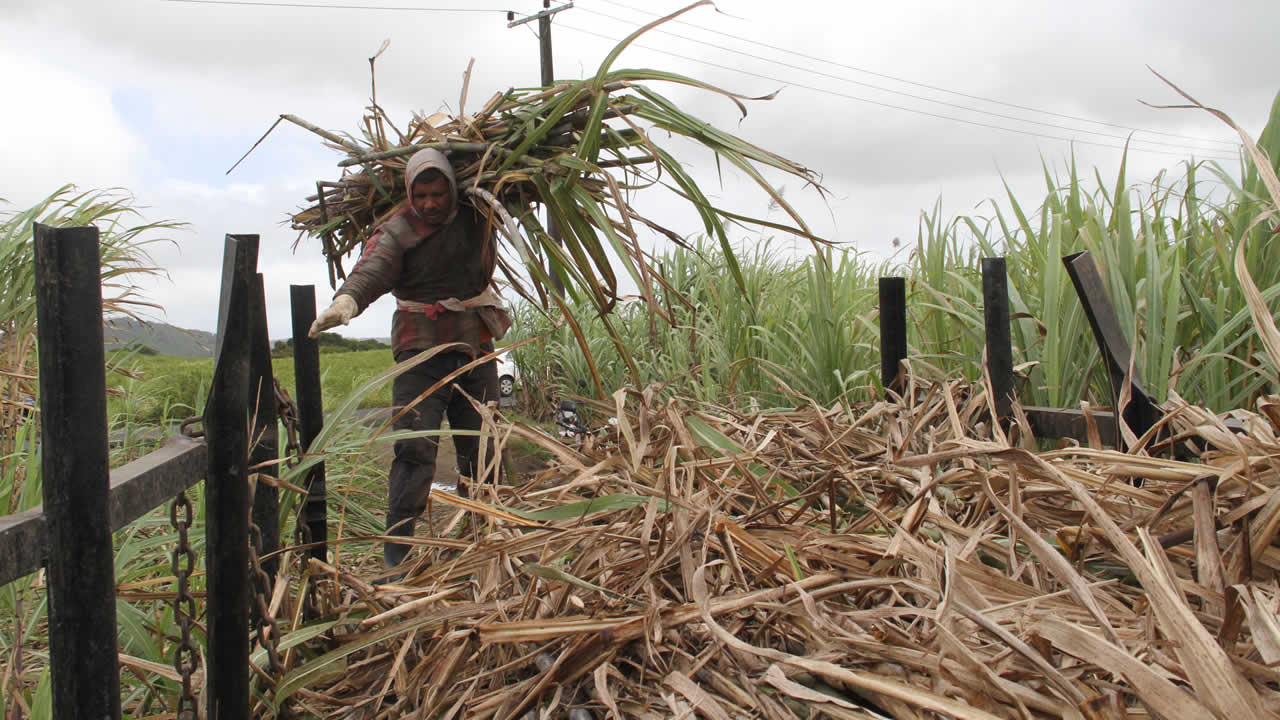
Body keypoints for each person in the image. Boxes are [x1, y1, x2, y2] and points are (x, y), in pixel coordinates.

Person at [308, 148, 510, 572]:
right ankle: (396, 556)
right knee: (414, 450)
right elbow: (373, 269)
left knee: (485, 447)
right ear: (409, 194)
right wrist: (345, 303)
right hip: (420, 353)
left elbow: (519, 197)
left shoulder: (478, 215)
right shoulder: (398, 229)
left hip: (474, 348)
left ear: (453, 190)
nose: (431, 203)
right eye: (422, 195)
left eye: (438, 194)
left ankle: (487, 545)